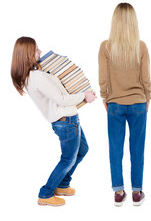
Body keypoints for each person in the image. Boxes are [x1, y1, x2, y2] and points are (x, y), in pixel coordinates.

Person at [11, 37, 96, 206]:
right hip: (66, 122)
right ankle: (46, 193)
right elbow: (61, 99)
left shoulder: (33, 76)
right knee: (67, 159)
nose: (40, 51)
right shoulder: (37, 77)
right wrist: (84, 96)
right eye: (36, 49)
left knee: (82, 150)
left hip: (68, 120)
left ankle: (62, 185)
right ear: (27, 54)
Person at [98, 3, 151, 206]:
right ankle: (137, 193)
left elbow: (103, 77)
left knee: (115, 149)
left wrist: (105, 97)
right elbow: (146, 78)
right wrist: (148, 98)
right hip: (138, 103)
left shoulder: (106, 46)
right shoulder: (141, 46)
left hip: (115, 105)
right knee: (138, 149)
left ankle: (118, 192)